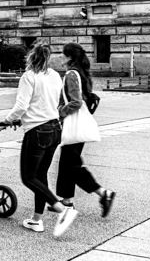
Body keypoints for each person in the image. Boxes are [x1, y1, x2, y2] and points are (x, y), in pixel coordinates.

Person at [3, 42, 78, 237]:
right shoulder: (55, 76)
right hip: (54, 129)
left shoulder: (28, 77)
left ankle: (62, 210)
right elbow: (49, 102)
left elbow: (22, 104)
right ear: (48, 57)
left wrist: (10, 119)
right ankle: (36, 220)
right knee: (41, 175)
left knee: (29, 177)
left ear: (31, 57)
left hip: (37, 132)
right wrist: (25, 117)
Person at [56, 42, 116, 217]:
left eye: (62, 54)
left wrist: (59, 111)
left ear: (70, 57)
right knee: (67, 163)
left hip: (74, 125)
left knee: (72, 165)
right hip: (78, 125)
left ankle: (103, 193)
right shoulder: (80, 73)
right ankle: (66, 202)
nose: (60, 57)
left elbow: (76, 102)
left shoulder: (71, 75)